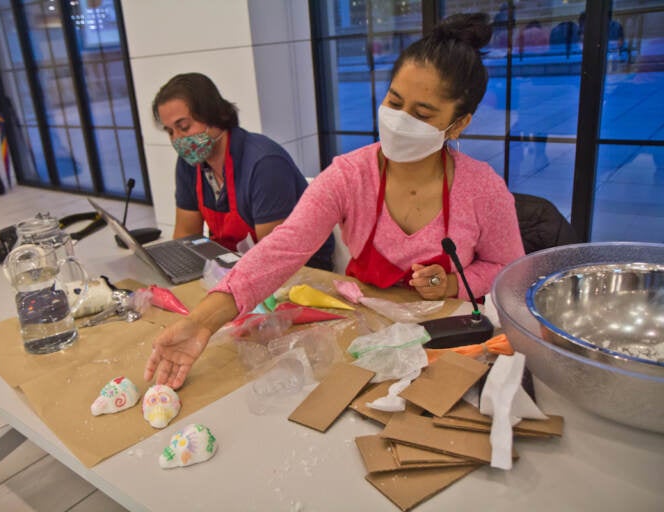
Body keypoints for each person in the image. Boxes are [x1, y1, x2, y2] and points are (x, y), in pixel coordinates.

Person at [145, 13, 525, 390]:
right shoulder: (349, 176)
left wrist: (453, 283)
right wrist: (202, 321)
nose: (399, 120)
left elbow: (510, 271)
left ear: (458, 124)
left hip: (451, 343)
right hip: (368, 336)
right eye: (394, 102)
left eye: (422, 114)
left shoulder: (483, 190)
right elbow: (282, 248)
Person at [152, 73, 334, 270]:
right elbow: (185, 238)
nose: (177, 139)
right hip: (233, 266)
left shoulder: (265, 164)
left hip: (296, 274)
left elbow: (273, 259)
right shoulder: (189, 164)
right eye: (170, 132)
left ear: (214, 115)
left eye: (184, 127)